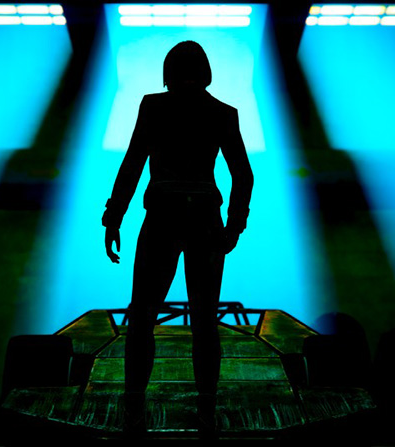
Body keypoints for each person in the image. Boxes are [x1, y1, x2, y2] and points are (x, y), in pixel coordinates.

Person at [101, 41, 253, 438]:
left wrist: (114, 217)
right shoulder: (223, 113)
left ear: (168, 72)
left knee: (143, 317)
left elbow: (133, 163)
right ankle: (206, 410)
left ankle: (134, 408)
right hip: (205, 220)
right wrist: (234, 225)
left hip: (163, 216)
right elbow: (243, 174)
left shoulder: (153, 106)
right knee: (204, 320)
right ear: (205, 73)